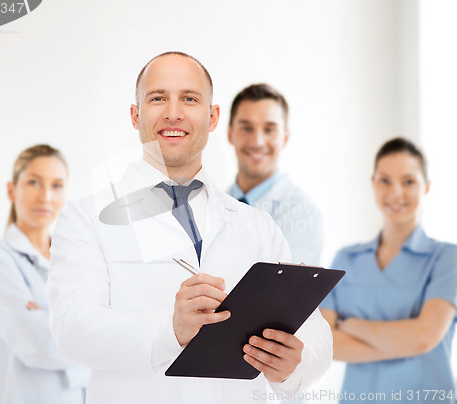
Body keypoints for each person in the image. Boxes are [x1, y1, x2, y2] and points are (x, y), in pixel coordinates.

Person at [48, 52, 332, 404]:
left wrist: (294, 364)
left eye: (189, 98)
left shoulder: (256, 226)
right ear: (136, 116)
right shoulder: (86, 218)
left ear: (212, 117)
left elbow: (315, 330)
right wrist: (171, 329)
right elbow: (71, 331)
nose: (173, 112)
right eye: (157, 98)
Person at [320, 137, 457, 403]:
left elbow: (423, 338)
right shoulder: (346, 258)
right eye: (385, 180)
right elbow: (325, 344)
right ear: (373, 183)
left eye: (408, 181)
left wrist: (352, 325)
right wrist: (405, 343)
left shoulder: (446, 257)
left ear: (426, 186)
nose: (395, 192)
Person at [0, 145, 90, 404]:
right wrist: (97, 342)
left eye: (57, 185)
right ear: (11, 189)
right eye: (33, 182)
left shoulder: (76, 259)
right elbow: (39, 344)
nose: (46, 197)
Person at [227, 84, 323, 265]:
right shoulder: (214, 203)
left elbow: (287, 290)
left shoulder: (303, 214)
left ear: (284, 138)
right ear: (230, 134)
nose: (257, 142)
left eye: (269, 129)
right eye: (246, 128)